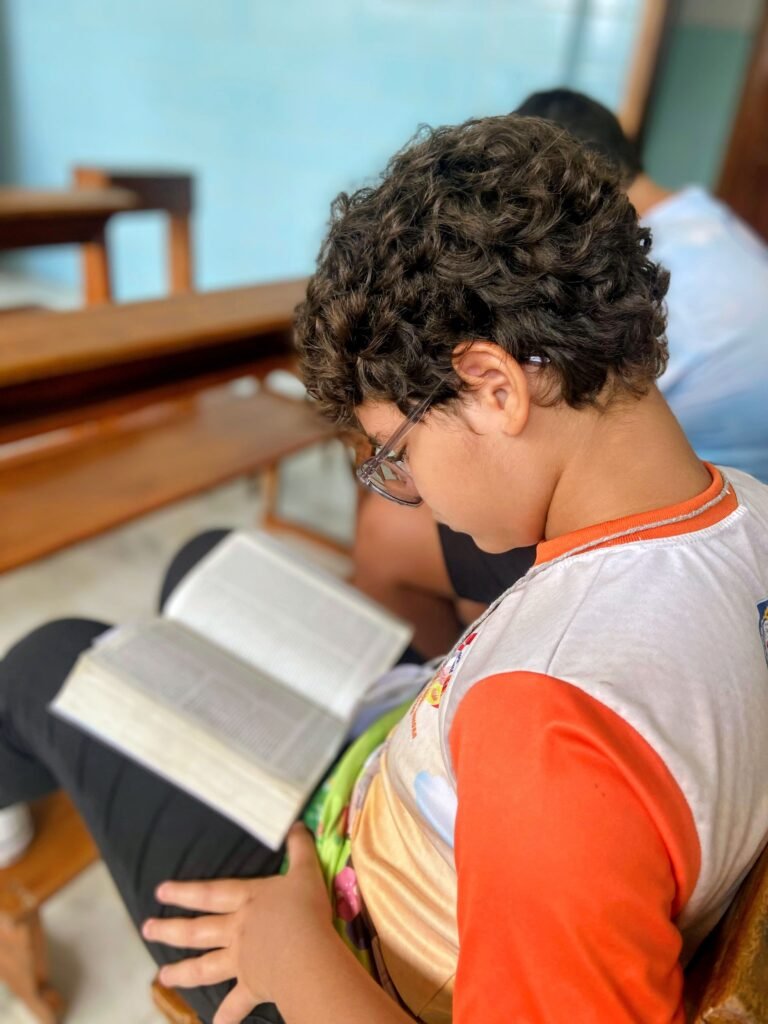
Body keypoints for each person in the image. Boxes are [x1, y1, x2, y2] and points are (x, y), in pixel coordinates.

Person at [2, 113, 768, 1024]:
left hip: (332, 950)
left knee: (50, 661)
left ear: (495, 387)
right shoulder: (746, 505)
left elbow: (556, 757)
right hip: (410, 787)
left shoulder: (551, 735)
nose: (406, 492)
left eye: (394, 454)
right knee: (211, 563)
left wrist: (295, 955)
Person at [353, 88, 768, 658]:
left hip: (659, 523)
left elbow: (568, 414)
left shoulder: (662, 294)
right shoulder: (715, 226)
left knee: (388, 529)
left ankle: (438, 680)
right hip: (730, 499)